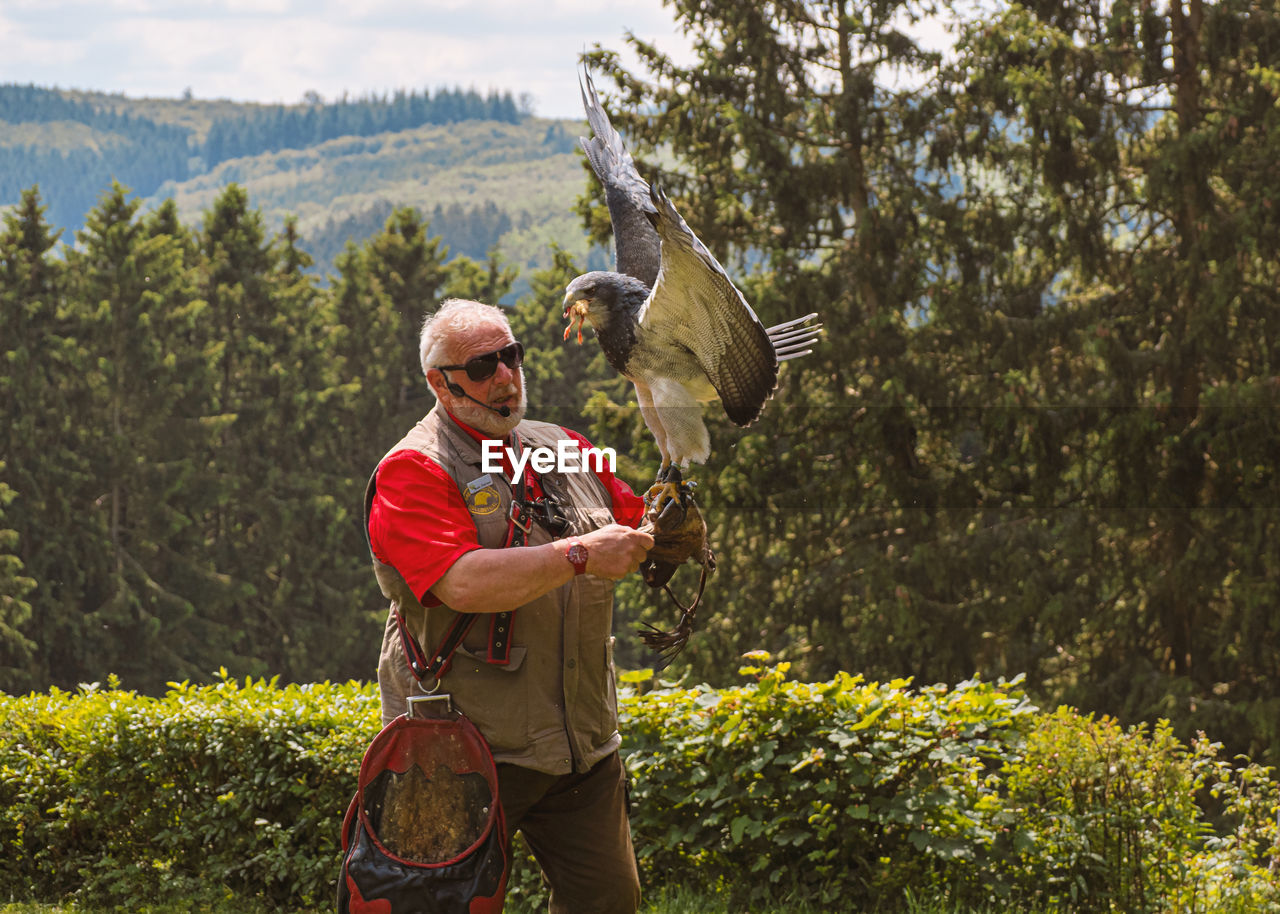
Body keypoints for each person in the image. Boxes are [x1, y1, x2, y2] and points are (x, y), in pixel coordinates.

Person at [365, 297, 654, 913]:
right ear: (438, 383)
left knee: (609, 904)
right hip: (458, 748)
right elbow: (463, 582)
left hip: (580, 744)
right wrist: (579, 554)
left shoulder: (564, 446)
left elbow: (637, 526)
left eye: (512, 356)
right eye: (483, 366)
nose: (506, 376)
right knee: (435, 907)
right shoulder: (412, 469)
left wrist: (675, 526)